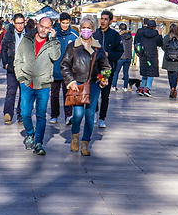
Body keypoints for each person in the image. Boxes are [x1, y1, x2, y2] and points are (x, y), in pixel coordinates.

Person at [60, 17, 111, 157]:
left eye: (88, 28)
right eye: (83, 27)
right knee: (77, 114)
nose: (86, 30)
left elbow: (105, 66)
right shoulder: (73, 46)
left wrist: (104, 77)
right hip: (76, 85)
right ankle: (75, 134)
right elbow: (64, 65)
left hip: (93, 85)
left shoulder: (98, 47)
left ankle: (85, 142)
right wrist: (71, 82)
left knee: (89, 114)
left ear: (93, 30)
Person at [14, 16, 61, 155]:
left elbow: (55, 56)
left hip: (44, 84)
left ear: (51, 29)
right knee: (25, 113)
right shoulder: (27, 39)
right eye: (42, 26)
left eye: (47, 28)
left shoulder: (53, 42)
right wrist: (21, 78)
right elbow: (18, 60)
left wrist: (53, 39)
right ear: (37, 25)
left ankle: (38, 143)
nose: (43, 30)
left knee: (41, 115)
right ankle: (30, 132)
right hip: (27, 82)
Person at [93, 10, 123, 127]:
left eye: (106, 19)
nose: (103, 21)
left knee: (105, 95)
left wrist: (108, 54)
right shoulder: (95, 34)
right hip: (95, 69)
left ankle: (102, 118)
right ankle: (94, 114)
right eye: (102, 18)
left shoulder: (115, 35)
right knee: (94, 93)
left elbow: (120, 52)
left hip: (108, 70)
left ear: (110, 21)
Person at [50, 13, 77, 125]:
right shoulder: (53, 33)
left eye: (67, 23)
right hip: (55, 69)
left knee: (68, 94)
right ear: (59, 22)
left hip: (68, 72)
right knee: (54, 94)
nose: (65, 25)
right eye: (63, 23)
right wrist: (52, 38)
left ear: (70, 22)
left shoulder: (74, 35)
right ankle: (54, 115)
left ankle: (68, 115)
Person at [1, 13, 25, 125]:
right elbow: (3, 49)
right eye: (18, 23)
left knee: (24, 92)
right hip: (12, 66)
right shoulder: (9, 35)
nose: (20, 26)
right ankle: (8, 114)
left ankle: (21, 114)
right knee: (11, 91)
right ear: (13, 23)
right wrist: (5, 64)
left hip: (25, 68)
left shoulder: (28, 35)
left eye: (22, 23)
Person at [135, 18, 162, 96]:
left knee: (144, 72)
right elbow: (160, 43)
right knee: (151, 73)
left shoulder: (142, 33)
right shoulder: (156, 34)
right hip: (152, 55)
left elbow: (138, 42)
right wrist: (160, 35)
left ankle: (142, 88)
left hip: (144, 55)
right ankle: (148, 88)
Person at [162, 23, 178, 99]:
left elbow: (163, 47)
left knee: (170, 75)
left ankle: (171, 88)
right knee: (175, 75)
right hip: (177, 60)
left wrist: (168, 52)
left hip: (168, 59)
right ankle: (173, 88)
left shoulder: (167, 38)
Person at [112, 23, 132, 92]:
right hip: (128, 56)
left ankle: (114, 86)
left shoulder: (119, 36)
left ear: (120, 29)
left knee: (116, 72)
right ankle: (125, 87)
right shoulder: (130, 36)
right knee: (126, 72)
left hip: (120, 57)